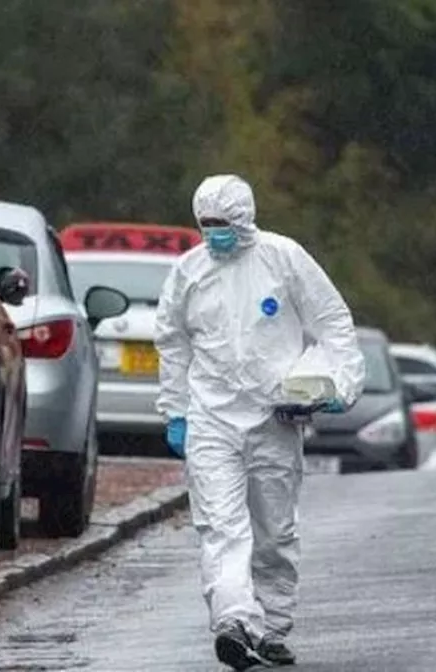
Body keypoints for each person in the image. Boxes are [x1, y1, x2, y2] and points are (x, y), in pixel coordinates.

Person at [154, 174, 365, 670]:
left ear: (244, 218)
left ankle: (271, 625)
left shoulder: (283, 259)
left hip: (274, 419)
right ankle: (234, 621)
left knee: (273, 531)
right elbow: (172, 343)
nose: (215, 233)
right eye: (206, 225)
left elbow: (332, 321)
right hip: (211, 420)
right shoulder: (189, 272)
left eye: (223, 224)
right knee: (222, 528)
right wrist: (176, 410)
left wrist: (338, 383)